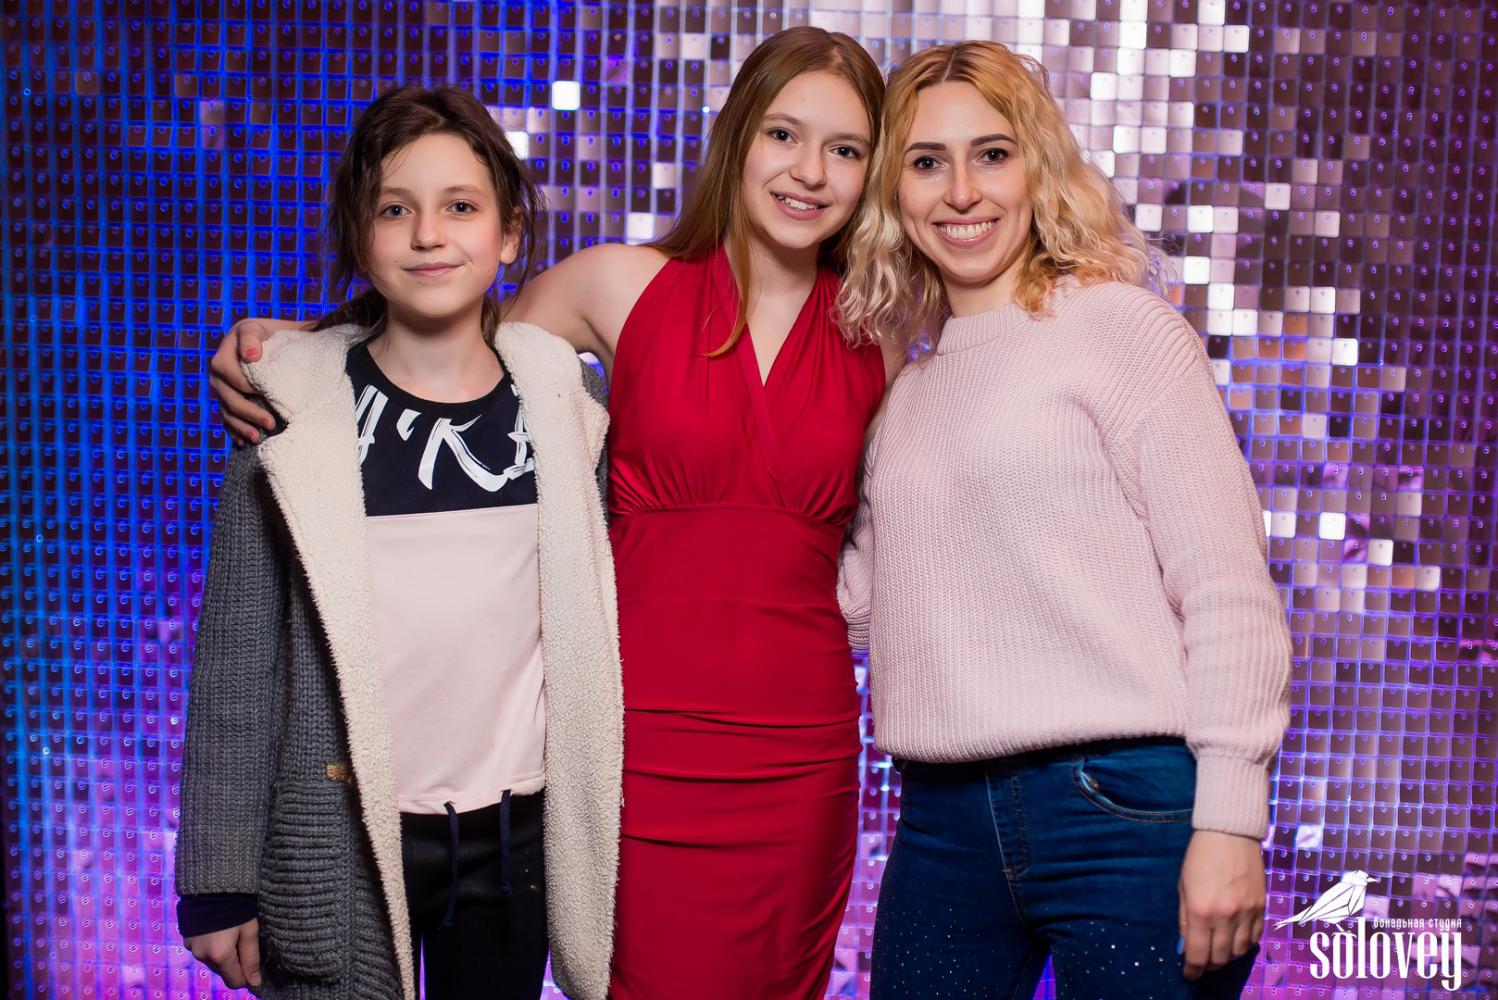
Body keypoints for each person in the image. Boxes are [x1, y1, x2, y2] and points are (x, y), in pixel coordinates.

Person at [202, 28, 899, 999]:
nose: (809, 171)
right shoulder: (619, 283)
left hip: (800, 751)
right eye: (783, 133)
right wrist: (303, 349)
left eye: (845, 148)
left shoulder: (884, 335)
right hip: (632, 741)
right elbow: (451, 339)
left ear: (871, 171)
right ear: (738, 136)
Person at [836, 41, 1292, 1000]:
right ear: (893, 193)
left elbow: (1225, 586)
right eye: (927, 162)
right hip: (941, 820)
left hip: (1123, 806)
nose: (962, 191)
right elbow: (859, 614)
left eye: (992, 154)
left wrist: (1231, 820)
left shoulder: (1121, 331)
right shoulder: (904, 394)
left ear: (1038, 167)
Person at [175, 85, 622, 1000]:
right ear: (359, 235)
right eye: (394, 210)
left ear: (509, 234)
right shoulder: (289, 414)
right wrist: (217, 880)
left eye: (460, 207)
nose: (428, 235)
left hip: (514, 841)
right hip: (337, 831)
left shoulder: (566, 406)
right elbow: (236, 660)